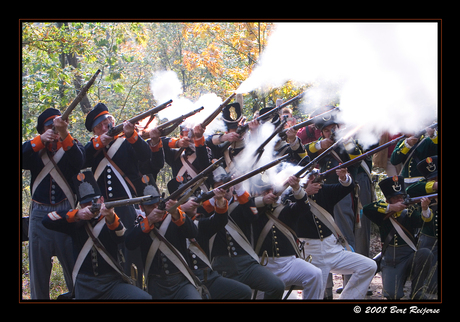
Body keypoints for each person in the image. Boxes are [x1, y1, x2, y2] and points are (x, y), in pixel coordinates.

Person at [42, 171, 151, 300]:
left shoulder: (111, 219)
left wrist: (110, 217)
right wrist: (77, 214)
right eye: (85, 203)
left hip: (112, 283)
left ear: (102, 200)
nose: (89, 206)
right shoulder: (75, 222)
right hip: (85, 285)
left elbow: (121, 237)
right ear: (81, 205)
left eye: (93, 202)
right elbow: (47, 220)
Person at [83, 102, 152, 287]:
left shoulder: (125, 141)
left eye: (106, 123)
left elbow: (146, 155)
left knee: (132, 252)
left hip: (128, 206)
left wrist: (132, 136)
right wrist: (99, 143)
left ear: (112, 122)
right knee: (110, 252)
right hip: (104, 210)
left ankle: (135, 288)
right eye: (99, 126)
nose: (105, 127)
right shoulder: (92, 149)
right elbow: (81, 158)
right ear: (95, 132)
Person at [22, 108, 85, 299]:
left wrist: (64, 135)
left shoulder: (71, 145)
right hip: (39, 213)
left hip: (66, 212)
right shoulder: (34, 149)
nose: (55, 130)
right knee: (38, 274)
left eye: (58, 126)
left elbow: (80, 160)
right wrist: (40, 140)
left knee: (74, 272)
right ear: (43, 129)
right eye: (51, 127)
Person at [203, 169, 286, 299]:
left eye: (227, 187)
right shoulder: (207, 209)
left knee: (277, 286)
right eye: (218, 187)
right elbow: (195, 214)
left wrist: (240, 187)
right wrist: (214, 199)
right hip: (220, 265)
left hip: (246, 263)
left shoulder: (242, 205)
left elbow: (253, 215)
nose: (224, 190)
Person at [296, 168, 377, 299]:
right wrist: (304, 193)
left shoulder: (325, 191)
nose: (316, 181)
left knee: (368, 266)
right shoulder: (293, 197)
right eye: (311, 178)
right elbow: (285, 204)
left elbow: (347, 187)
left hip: (332, 248)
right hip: (312, 253)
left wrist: (344, 177)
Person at [125, 175, 201, 299]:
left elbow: (193, 233)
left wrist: (176, 212)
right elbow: (129, 243)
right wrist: (148, 221)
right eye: (150, 206)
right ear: (141, 207)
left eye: (157, 204)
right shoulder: (141, 225)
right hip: (157, 284)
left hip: (181, 280)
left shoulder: (174, 216)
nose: (155, 208)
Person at [252, 175, 323, 299]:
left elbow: (304, 207)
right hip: (263, 267)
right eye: (265, 192)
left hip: (288, 263)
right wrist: (263, 201)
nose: (270, 194)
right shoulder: (252, 211)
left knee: (315, 274)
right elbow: (242, 205)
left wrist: (296, 187)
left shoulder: (287, 208)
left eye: (271, 190)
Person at [363, 175, 433, 300]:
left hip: (409, 256)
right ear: (388, 200)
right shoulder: (382, 214)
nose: (400, 200)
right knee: (392, 295)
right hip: (391, 261)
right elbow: (367, 209)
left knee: (425, 253)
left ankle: (417, 292)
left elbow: (424, 221)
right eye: (396, 198)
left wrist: (425, 208)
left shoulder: (410, 212)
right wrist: (391, 208)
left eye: (401, 197)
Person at [406, 156, 439, 296]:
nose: (436, 181)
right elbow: (411, 190)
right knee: (433, 287)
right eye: (433, 179)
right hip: (430, 237)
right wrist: (435, 186)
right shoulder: (424, 187)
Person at [161, 124, 212, 194]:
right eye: (186, 129)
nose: (190, 131)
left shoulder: (205, 150)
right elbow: (158, 142)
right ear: (181, 136)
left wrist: (198, 139)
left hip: (202, 196)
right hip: (181, 200)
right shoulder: (176, 155)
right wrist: (177, 143)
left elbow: (204, 164)